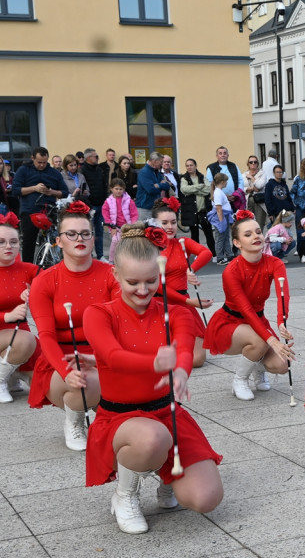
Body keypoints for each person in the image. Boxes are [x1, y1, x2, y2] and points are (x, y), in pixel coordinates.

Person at [83, 222, 223, 534]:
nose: (143, 290)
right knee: (152, 438)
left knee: (206, 498)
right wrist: (156, 362)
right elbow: (111, 357)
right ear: (116, 276)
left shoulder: (176, 313)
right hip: (120, 419)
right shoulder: (99, 313)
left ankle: (164, 474)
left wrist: (181, 372)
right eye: (133, 282)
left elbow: (184, 349)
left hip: (166, 413)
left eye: (151, 281)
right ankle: (125, 494)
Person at [28, 201, 119, 450]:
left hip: (103, 353)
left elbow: (123, 323)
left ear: (93, 239)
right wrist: (66, 372)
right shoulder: (44, 282)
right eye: (71, 234)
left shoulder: (112, 274)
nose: (79, 238)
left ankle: (107, 411)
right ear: (59, 241)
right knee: (87, 381)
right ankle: (75, 420)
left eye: (85, 233)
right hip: (61, 360)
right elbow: (45, 337)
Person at [204, 211, 294, 400]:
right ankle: (240, 379)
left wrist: (281, 322)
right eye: (248, 234)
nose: (256, 236)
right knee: (262, 340)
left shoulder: (275, 263)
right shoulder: (232, 271)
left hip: (257, 320)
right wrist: (271, 340)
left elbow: (283, 295)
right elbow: (245, 309)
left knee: (282, 365)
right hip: (230, 323)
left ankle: (256, 367)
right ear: (237, 243)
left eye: (258, 232)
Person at [152, 198, 213, 368]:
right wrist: (189, 302)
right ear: (154, 224)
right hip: (158, 304)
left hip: (183, 304)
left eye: (173, 222)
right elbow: (156, 285)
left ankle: (174, 350)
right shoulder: (149, 248)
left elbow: (206, 253)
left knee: (198, 359)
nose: (170, 227)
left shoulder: (182, 243)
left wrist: (190, 269)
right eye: (164, 223)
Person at [0, 213, 39, 403]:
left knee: (45, 383)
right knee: (26, 341)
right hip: (12, 335)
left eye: (13, 242)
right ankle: (1, 378)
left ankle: (12, 374)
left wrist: (35, 295)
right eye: (1, 242)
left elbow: (56, 287)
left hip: (20, 336)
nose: (8, 246)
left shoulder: (29, 269)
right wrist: (7, 317)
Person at [12, 146, 69, 261]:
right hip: (29, 211)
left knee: (54, 240)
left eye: (45, 162)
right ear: (32, 158)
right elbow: (16, 190)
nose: (42, 165)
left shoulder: (54, 173)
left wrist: (51, 192)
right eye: (39, 162)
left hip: (49, 211)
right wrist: (34, 188)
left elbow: (65, 192)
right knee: (29, 242)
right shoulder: (24, 170)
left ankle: (51, 262)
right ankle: (28, 268)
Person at [179, 159, 215, 253]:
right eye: (187, 166)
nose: (189, 167)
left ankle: (214, 254)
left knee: (209, 233)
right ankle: (197, 254)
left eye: (191, 165)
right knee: (194, 235)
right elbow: (184, 189)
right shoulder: (184, 178)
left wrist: (193, 190)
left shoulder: (202, 176)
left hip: (203, 210)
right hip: (191, 210)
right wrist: (199, 186)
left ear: (195, 166)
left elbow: (207, 190)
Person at [80, 149, 109, 260]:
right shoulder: (82, 170)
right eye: (95, 156)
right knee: (88, 232)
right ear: (88, 158)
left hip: (101, 204)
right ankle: (89, 255)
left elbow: (103, 185)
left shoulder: (99, 169)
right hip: (90, 206)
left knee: (100, 231)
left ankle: (100, 255)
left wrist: (105, 199)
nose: (97, 158)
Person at [101, 178, 139, 259]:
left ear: (124, 189)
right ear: (111, 189)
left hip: (127, 227)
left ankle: (127, 260)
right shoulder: (108, 201)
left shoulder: (129, 200)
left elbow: (134, 214)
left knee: (127, 243)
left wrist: (131, 225)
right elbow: (106, 215)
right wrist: (112, 226)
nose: (118, 191)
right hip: (115, 227)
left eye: (121, 189)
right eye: (116, 189)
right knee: (115, 241)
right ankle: (112, 261)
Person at [136, 152, 170, 222]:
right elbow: (150, 190)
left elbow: (167, 186)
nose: (162, 164)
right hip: (144, 209)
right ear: (154, 161)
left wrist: (158, 185)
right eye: (161, 162)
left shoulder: (156, 172)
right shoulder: (144, 172)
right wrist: (161, 185)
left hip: (155, 208)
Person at [209, 173, 234, 264]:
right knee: (220, 237)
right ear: (223, 182)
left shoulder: (219, 191)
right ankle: (220, 257)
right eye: (226, 181)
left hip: (224, 216)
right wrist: (221, 221)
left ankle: (229, 254)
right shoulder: (218, 193)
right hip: (221, 217)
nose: (227, 183)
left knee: (226, 236)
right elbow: (218, 207)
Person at [242, 155, 268, 229]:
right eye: (251, 162)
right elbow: (241, 188)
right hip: (247, 200)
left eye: (255, 162)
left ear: (258, 163)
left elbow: (259, 186)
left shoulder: (262, 173)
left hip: (259, 202)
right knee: (249, 223)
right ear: (248, 164)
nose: (253, 163)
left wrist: (252, 178)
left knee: (259, 224)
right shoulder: (244, 175)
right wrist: (251, 188)